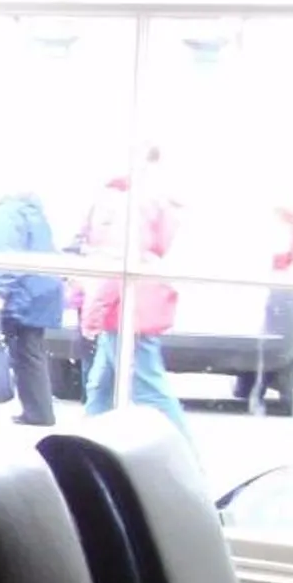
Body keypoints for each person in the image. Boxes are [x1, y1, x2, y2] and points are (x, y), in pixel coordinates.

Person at [78, 152, 191, 437]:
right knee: (102, 384)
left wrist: (94, 313)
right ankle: (91, 446)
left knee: (147, 389)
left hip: (126, 306)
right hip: (136, 302)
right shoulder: (152, 199)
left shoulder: (126, 203)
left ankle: (185, 458)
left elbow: (118, 261)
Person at [0, 188, 64, 426]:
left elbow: (6, 255)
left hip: (20, 293)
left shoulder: (6, 213)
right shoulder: (31, 212)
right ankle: (39, 413)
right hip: (37, 293)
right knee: (29, 353)